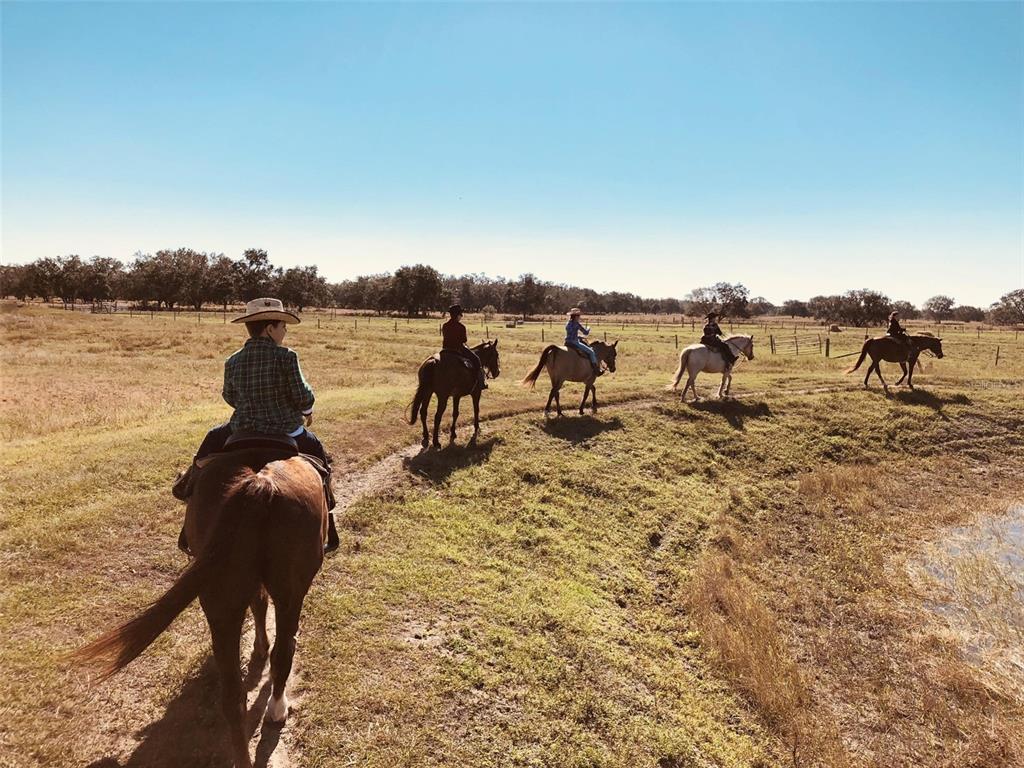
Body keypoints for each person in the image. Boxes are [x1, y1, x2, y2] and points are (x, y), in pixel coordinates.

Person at [172, 297, 339, 552]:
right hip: (285, 429)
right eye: (282, 325)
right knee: (319, 456)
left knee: (207, 448)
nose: (285, 330)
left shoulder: (233, 360)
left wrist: (250, 406)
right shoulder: (287, 356)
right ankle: (328, 507)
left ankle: (187, 487)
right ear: (270, 329)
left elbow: (229, 395)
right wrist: (307, 409)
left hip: (241, 430)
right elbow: (302, 395)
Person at [441, 304, 486, 389]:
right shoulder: (461, 327)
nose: (461, 317)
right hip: (458, 349)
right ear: (457, 315)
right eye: (460, 315)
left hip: (445, 349)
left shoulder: (445, 325)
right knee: (476, 359)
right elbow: (464, 340)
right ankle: (481, 383)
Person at [565, 308, 603, 378]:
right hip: (574, 342)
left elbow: (570, 333)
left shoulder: (568, 323)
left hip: (567, 342)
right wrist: (588, 328)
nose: (579, 317)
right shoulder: (576, 324)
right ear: (576, 317)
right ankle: (596, 370)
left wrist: (578, 336)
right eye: (578, 316)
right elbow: (585, 332)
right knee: (591, 352)